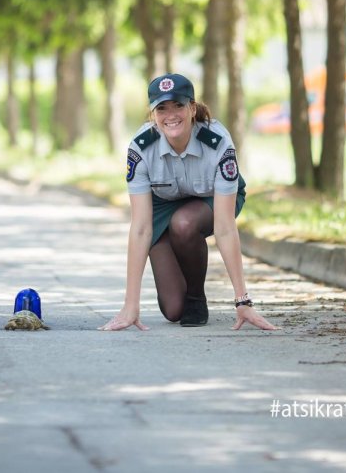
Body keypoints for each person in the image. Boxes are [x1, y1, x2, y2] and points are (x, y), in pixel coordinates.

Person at [100, 73, 277, 331]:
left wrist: (243, 301)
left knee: (183, 223)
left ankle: (196, 296)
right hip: (162, 207)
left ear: (192, 108)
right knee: (173, 311)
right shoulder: (141, 148)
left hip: (210, 201)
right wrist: (131, 305)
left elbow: (225, 228)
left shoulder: (217, 143)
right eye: (162, 108)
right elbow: (140, 228)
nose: (170, 115)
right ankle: (180, 289)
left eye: (178, 105)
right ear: (153, 114)